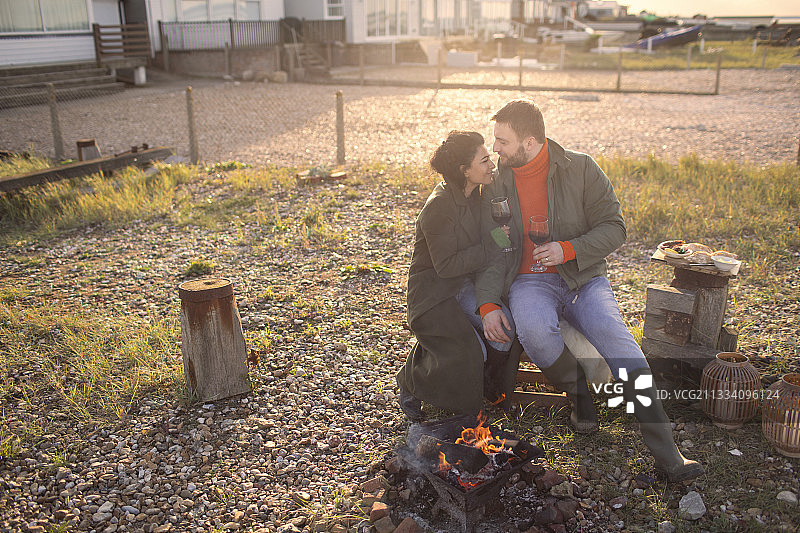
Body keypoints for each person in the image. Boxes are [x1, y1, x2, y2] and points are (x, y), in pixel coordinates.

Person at [474, 100, 703, 482]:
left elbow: (615, 227)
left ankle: (668, 452)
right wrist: (486, 300)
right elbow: (495, 245)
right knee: (533, 330)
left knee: (619, 343)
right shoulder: (499, 180)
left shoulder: (581, 168)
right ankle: (580, 393)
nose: (494, 149)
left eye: (502, 141)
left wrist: (567, 249)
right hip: (529, 281)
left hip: (583, 277)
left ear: (529, 142)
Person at [396, 130, 518, 421]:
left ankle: (486, 386)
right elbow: (447, 266)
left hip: (464, 285)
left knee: (505, 334)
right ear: (465, 170)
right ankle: (411, 383)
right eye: (485, 160)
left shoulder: (478, 194)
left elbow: (498, 241)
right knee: (474, 354)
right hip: (433, 295)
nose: (492, 165)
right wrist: (492, 245)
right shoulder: (438, 207)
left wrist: (505, 243)